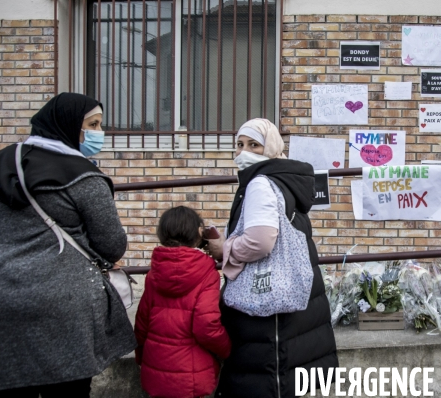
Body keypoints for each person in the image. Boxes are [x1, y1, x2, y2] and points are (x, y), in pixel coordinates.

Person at [0, 92, 136, 397]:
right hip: (60, 309)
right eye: (92, 124)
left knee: (5, 387)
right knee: (66, 389)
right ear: (67, 125)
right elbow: (112, 245)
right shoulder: (84, 176)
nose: (98, 133)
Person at [208, 118, 338, 398]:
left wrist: (224, 250)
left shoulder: (260, 184)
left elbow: (261, 241)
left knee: (268, 379)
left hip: (266, 302)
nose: (244, 152)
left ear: (272, 147)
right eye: (239, 145)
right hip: (293, 297)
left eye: (254, 144)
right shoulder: (286, 179)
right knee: (286, 376)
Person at [134, 206, 231, 398]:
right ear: (198, 233)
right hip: (194, 378)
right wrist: (227, 350)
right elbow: (206, 326)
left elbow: (142, 324)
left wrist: (141, 358)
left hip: (156, 373)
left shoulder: (154, 274)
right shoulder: (206, 273)